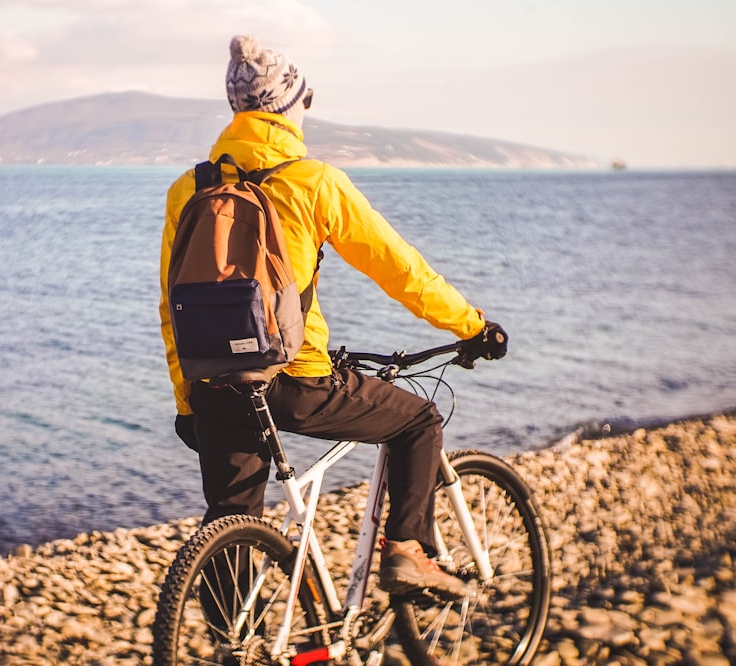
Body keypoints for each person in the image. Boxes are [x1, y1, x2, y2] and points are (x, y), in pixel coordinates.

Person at [158, 34, 508, 599]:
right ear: (289, 106)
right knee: (418, 421)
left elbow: (170, 307)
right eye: (305, 100)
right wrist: (470, 325)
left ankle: (230, 646)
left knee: (229, 517)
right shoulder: (313, 181)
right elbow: (401, 270)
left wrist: (186, 400)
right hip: (294, 379)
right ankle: (408, 553)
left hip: (215, 386)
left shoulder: (189, 190)